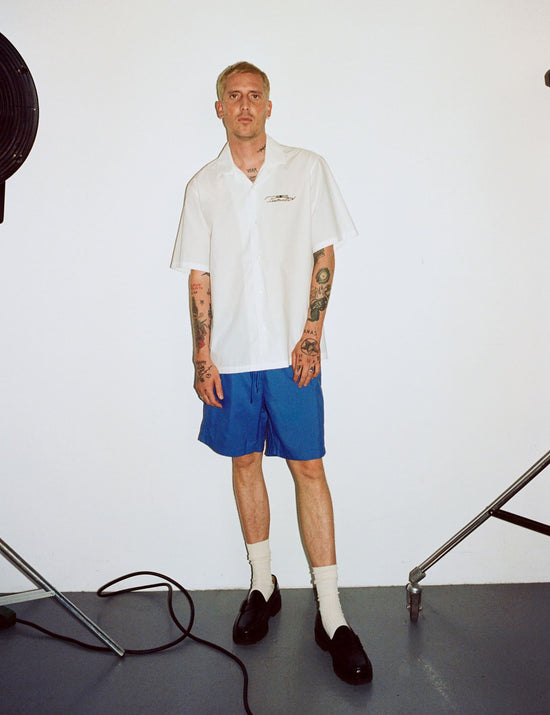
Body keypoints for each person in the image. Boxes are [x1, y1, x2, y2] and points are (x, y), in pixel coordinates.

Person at [171, 61, 372, 685]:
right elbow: (199, 276)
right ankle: (263, 586)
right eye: (233, 96)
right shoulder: (204, 186)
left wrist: (311, 336)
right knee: (245, 463)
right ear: (219, 108)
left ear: (268, 105)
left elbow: (324, 253)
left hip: (291, 355)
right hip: (232, 357)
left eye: (254, 95)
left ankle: (332, 615)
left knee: (309, 468)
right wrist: (202, 355)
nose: (244, 105)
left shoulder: (305, 169)